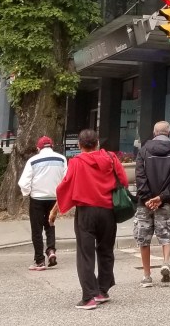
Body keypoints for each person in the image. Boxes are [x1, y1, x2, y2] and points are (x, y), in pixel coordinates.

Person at [50, 129, 128, 311]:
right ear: (97, 143)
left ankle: (88, 297)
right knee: (106, 250)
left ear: (79, 145)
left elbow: (66, 186)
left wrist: (55, 210)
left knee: (85, 254)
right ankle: (102, 290)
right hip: (108, 210)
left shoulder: (76, 162)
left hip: (86, 211)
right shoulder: (111, 158)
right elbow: (123, 181)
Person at [135, 120, 170, 288]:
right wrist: (161, 197)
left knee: (144, 238)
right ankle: (165, 262)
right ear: (169, 133)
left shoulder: (143, 150)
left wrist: (148, 198)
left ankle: (146, 276)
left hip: (145, 203)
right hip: (166, 201)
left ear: (154, 133)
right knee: (166, 234)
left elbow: (140, 176)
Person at [19, 135, 68, 271]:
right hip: (54, 197)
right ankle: (51, 250)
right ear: (52, 146)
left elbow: (24, 182)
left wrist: (27, 193)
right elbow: (66, 179)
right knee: (50, 224)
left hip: (37, 198)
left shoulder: (33, 161)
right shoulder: (61, 159)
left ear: (38, 148)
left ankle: (39, 260)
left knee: (37, 229)